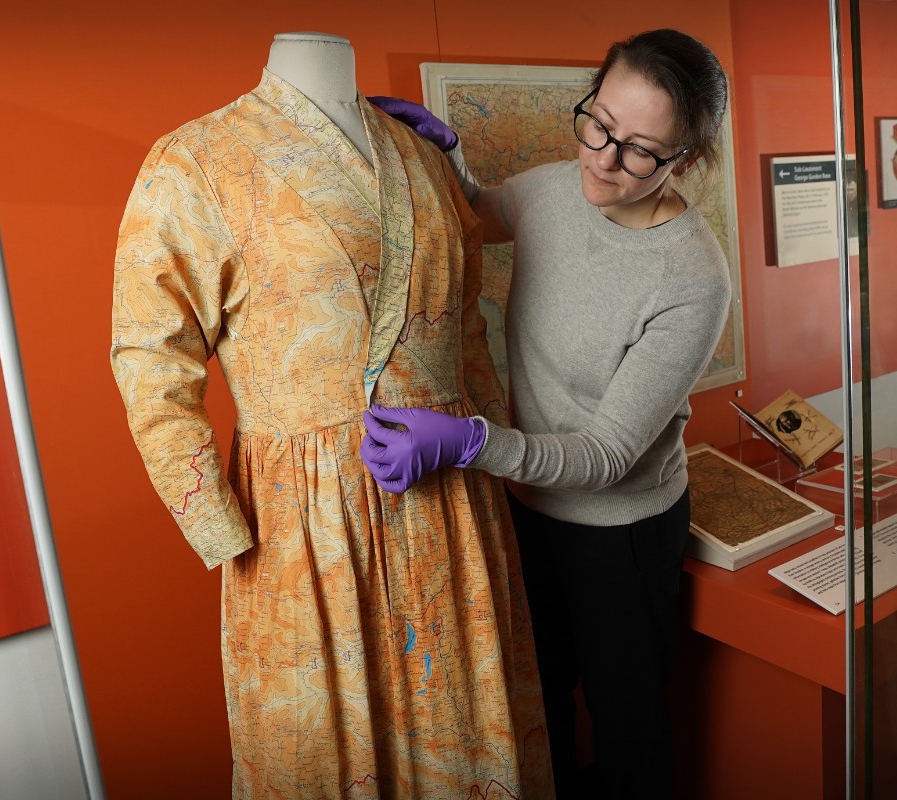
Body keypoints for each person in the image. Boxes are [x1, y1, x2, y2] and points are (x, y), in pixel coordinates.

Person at [111, 31, 553, 799]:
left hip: (452, 495)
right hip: (304, 518)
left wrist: (485, 438)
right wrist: (212, 518)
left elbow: (467, 325)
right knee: (328, 742)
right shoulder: (197, 161)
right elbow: (151, 352)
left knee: (466, 727)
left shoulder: (421, 159)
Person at [362, 28, 732, 799]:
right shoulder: (557, 186)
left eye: (639, 150)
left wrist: (467, 443)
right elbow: (485, 213)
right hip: (529, 509)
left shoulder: (691, 278)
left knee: (630, 731)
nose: (602, 157)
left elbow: (603, 458)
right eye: (597, 122)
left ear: (685, 162)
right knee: (541, 711)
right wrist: (448, 158)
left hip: (622, 533)